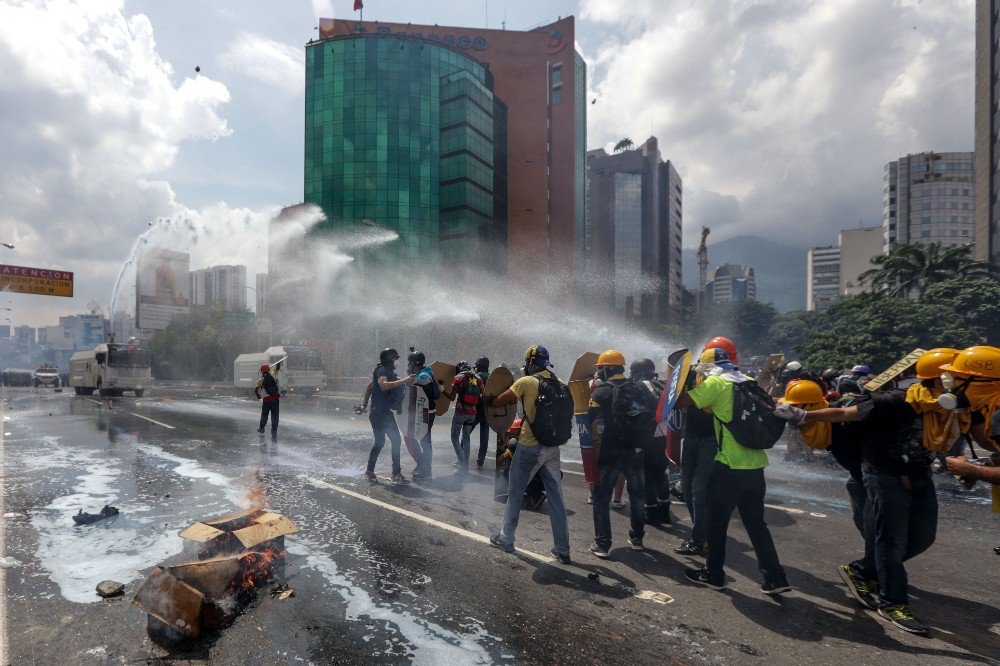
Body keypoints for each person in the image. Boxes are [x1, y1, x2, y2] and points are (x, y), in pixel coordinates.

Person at [776, 348, 964, 635]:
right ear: (941, 380)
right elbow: (843, 413)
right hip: (882, 476)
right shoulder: (896, 401)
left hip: (919, 474)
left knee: (922, 537)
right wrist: (801, 415)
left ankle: (864, 570)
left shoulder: (957, 408)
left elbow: (982, 434)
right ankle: (892, 602)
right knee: (889, 541)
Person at [676, 347, 790, 595]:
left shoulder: (715, 383)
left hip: (728, 466)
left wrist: (680, 380)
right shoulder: (747, 381)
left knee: (717, 525)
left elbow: (682, 403)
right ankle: (776, 578)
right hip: (756, 466)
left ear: (705, 369)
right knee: (757, 525)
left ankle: (714, 573)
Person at [489, 345, 572, 564]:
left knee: (515, 493)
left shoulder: (526, 382)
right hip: (553, 449)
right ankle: (562, 548)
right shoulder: (559, 382)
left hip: (529, 446)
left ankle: (506, 538)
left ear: (531, 362)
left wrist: (489, 395)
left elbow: (499, 401)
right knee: (556, 499)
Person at [675, 339, 741, 557]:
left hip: (712, 440)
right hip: (692, 437)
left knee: (698, 490)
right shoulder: (694, 374)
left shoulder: (726, 380)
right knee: (686, 488)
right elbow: (676, 395)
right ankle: (701, 533)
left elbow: (687, 404)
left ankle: (701, 538)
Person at [587, 349, 649, 557]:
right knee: (638, 497)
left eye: (600, 368)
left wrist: (591, 393)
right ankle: (637, 538)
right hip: (636, 449)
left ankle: (602, 544)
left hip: (612, 450)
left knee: (601, 497)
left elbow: (587, 418)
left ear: (607, 368)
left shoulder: (602, 390)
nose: (599, 372)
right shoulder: (639, 387)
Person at [357, 348, 413, 485]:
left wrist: (364, 405)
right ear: (389, 360)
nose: (397, 362)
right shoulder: (382, 371)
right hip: (381, 414)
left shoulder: (385, 372)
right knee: (395, 441)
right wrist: (404, 380)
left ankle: (370, 471)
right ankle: (396, 474)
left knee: (380, 442)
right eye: (395, 359)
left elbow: (370, 387)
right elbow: (383, 386)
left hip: (379, 413)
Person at [630, 358, 672, 526]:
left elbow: (637, 409)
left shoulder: (639, 386)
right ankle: (665, 512)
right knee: (661, 474)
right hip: (665, 435)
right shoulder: (662, 383)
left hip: (648, 436)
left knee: (646, 476)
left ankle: (651, 512)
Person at [444, 361, 482, 474]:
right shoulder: (478, 378)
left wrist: (441, 390)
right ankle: (465, 464)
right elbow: (481, 395)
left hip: (461, 412)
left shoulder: (459, 378)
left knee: (454, 437)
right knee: (466, 438)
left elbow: (451, 397)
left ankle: (463, 465)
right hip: (473, 413)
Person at [408, 349, 439, 479]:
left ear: (415, 363)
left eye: (410, 363)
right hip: (425, 411)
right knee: (419, 439)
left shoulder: (422, 377)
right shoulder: (426, 372)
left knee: (424, 441)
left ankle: (426, 469)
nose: (408, 365)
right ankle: (423, 465)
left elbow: (412, 388)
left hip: (425, 413)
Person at [472, 357, 492, 469]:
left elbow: (472, 390)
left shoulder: (476, 376)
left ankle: (461, 457)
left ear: (480, 366)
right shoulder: (491, 377)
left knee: (466, 433)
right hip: (487, 410)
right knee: (484, 436)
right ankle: (481, 461)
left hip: (476, 408)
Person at [255, 362, 284, 436]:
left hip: (267, 400)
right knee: (275, 415)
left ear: (261, 371)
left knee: (264, 414)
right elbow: (277, 369)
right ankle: (274, 429)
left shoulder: (261, 380)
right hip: (275, 399)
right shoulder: (273, 375)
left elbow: (256, 390)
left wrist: (258, 396)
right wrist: (279, 363)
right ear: (268, 370)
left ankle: (261, 428)